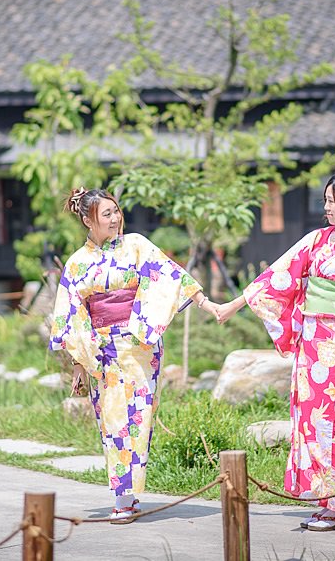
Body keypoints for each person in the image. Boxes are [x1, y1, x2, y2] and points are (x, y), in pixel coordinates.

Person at [212, 161, 335, 531]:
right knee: (309, 421)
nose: (325, 208)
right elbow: (279, 273)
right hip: (311, 343)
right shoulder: (317, 240)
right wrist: (233, 305)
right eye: (325, 200)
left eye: (331, 201)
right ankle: (324, 499)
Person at [48, 187, 219, 523]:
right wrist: (79, 363)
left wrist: (206, 303)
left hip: (140, 345)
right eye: (106, 214)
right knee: (113, 422)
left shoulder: (137, 245)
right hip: (102, 351)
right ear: (87, 220)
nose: (115, 218)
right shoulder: (77, 262)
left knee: (138, 419)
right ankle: (122, 497)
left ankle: (129, 494)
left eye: (115, 211)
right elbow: (72, 315)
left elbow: (171, 275)